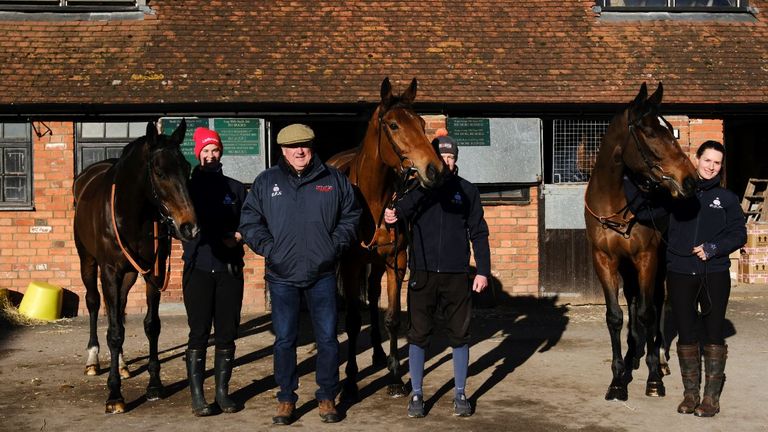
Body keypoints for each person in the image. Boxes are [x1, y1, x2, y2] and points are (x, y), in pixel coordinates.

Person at [239, 124, 360, 425]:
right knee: (284, 340)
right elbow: (250, 220)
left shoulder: (333, 180)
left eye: (304, 144)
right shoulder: (267, 181)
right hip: (281, 275)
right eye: (293, 147)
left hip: (322, 274)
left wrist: (334, 246)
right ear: (282, 150)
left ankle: (327, 395)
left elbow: (351, 215)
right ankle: (285, 398)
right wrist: (269, 248)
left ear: (311, 146)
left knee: (328, 339)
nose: (300, 151)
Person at [384, 133, 491, 418]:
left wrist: (482, 271)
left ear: (456, 160)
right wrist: (391, 213)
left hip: (457, 275)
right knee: (418, 335)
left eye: (450, 156)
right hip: (423, 274)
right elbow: (397, 213)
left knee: (460, 335)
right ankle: (417, 394)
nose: (445, 161)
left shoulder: (467, 191)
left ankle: (460, 394)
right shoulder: (417, 190)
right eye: (441, 156)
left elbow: (479, 232)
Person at [666, 140, 746, 417]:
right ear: (696, 158)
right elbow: (650, 216)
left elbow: (739, 234)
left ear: (721, 166)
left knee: (713, 334)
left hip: (714, 275)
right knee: (687, 333)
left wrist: (714, 248)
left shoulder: (727, 199)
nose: (711, 166)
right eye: (707, 160)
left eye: (717, 162)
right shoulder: (677, 193)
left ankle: (711, 397)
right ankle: (690, 395)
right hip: (679, 272)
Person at [182, 127, 247, 416]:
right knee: (198, 333)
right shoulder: (187, 188)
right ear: (198, 154)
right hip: (198, 267)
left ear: (221, 152)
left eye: (215, 150)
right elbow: (178, 226)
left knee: (226, 333)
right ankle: (198, 396)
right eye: (205, 151)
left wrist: (240, 236)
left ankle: (222, 392)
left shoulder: (235, 188)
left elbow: (249, 222)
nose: (210, 155)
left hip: (229, 269)